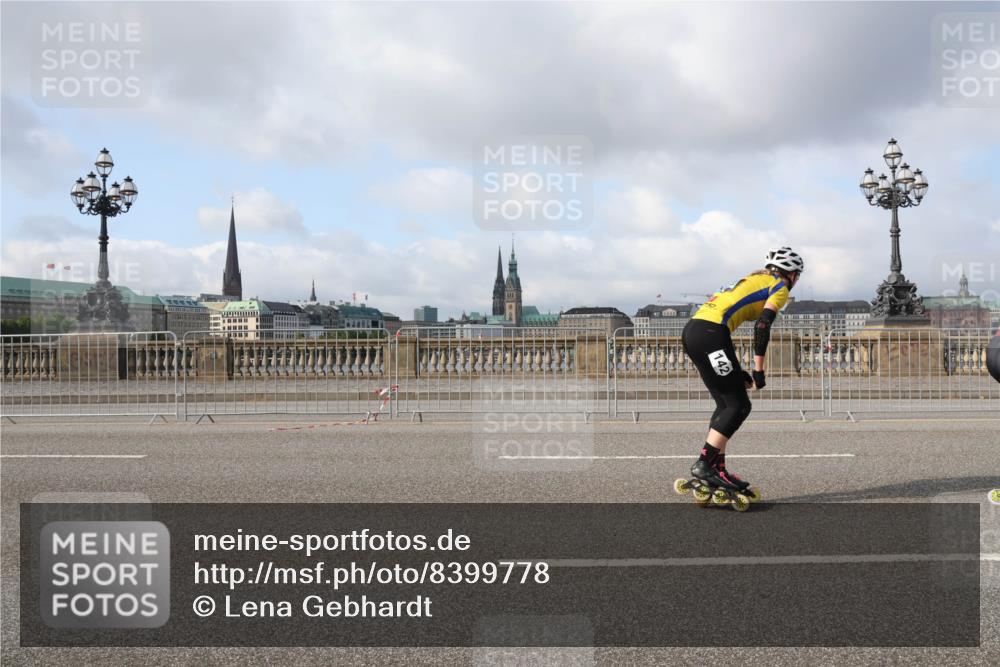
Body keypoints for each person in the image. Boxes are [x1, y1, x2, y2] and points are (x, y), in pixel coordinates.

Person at [681, 246, 804, 494]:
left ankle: (718, 468)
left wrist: (738, 371)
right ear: (792, 275)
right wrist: (759, 371)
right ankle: (704, 464)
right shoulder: (778, 288)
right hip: (712, 334)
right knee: (739, 405)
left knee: (726, 404)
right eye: (798, 277)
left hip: (696, 332)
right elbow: (762, 326)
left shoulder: (750, 280)